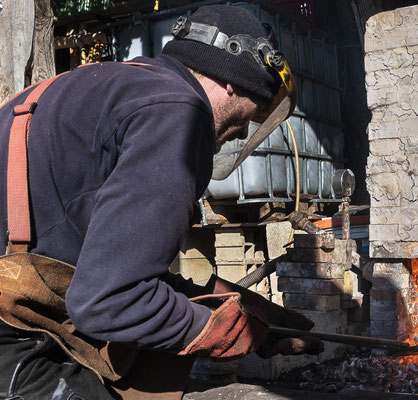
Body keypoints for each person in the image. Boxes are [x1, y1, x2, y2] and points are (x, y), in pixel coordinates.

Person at [0, 5, 320, 399]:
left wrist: (233, 304)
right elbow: (108, 302)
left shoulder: (108, 86)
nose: (243, 132)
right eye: (257, 111)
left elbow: (116, 270)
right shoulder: (179, 114)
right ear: (232, 81)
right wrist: (223, 330)